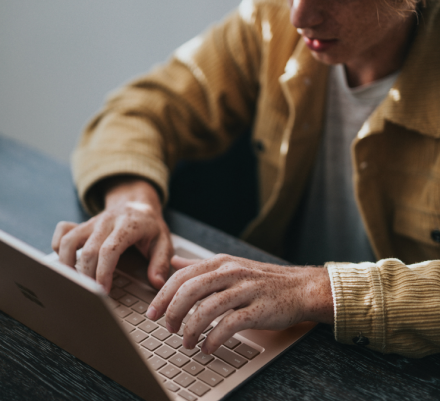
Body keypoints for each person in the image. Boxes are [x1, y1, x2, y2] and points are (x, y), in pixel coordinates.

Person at [52, 0, 440, 358]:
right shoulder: (270, 19)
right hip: (279, 337)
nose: (299, 17)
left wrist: (313, 290)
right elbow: (139, 108)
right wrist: (131, 201)